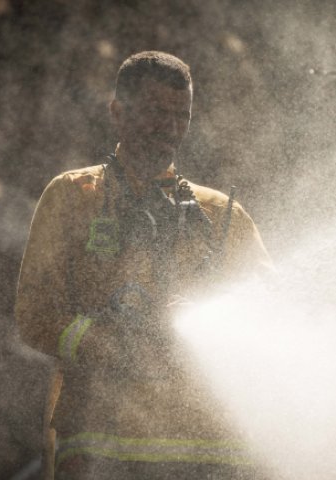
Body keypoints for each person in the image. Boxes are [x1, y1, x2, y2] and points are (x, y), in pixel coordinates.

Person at [15, 51, 272, 479]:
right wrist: (110, 346)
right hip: (104, 443)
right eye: (156, 113)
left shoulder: (222, 214)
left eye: (182, 116)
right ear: (117, 112)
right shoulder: (76, 196)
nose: (170, 129)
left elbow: (271, 305)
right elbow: (35, 313)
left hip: (208, 446)